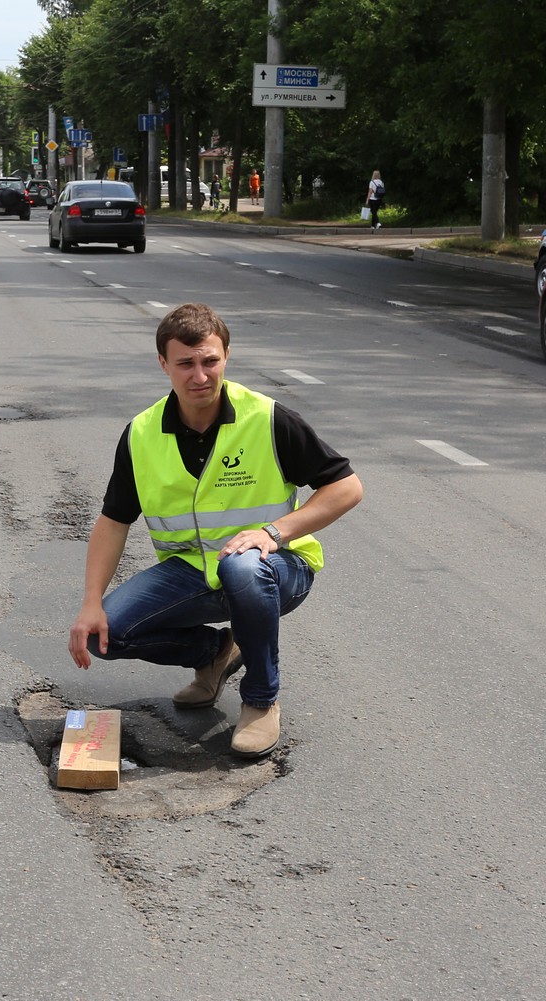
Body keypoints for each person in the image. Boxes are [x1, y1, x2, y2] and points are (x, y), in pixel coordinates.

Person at [67, 303, 364, 757]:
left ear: (226, 356)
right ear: (163, 363)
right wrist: (90, 603)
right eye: (185, 363)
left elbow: (346, 487)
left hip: (276, 568)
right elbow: (113, 521)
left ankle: (261, 701)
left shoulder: (267, 418)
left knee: (244, 568)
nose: (200, 376)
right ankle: (214, 653)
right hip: (192, 573)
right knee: (100, 634)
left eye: (210, 361)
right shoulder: (142, 434)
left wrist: (274, 533)